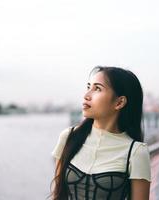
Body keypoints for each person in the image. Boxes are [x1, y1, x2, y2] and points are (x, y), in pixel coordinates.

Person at [49, 66, 151, 200]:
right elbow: (57, 194)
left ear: (119, 102)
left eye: (97, 89)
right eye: (88, 87)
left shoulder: (136, 151)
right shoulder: (69, 137)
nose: (86, 95)